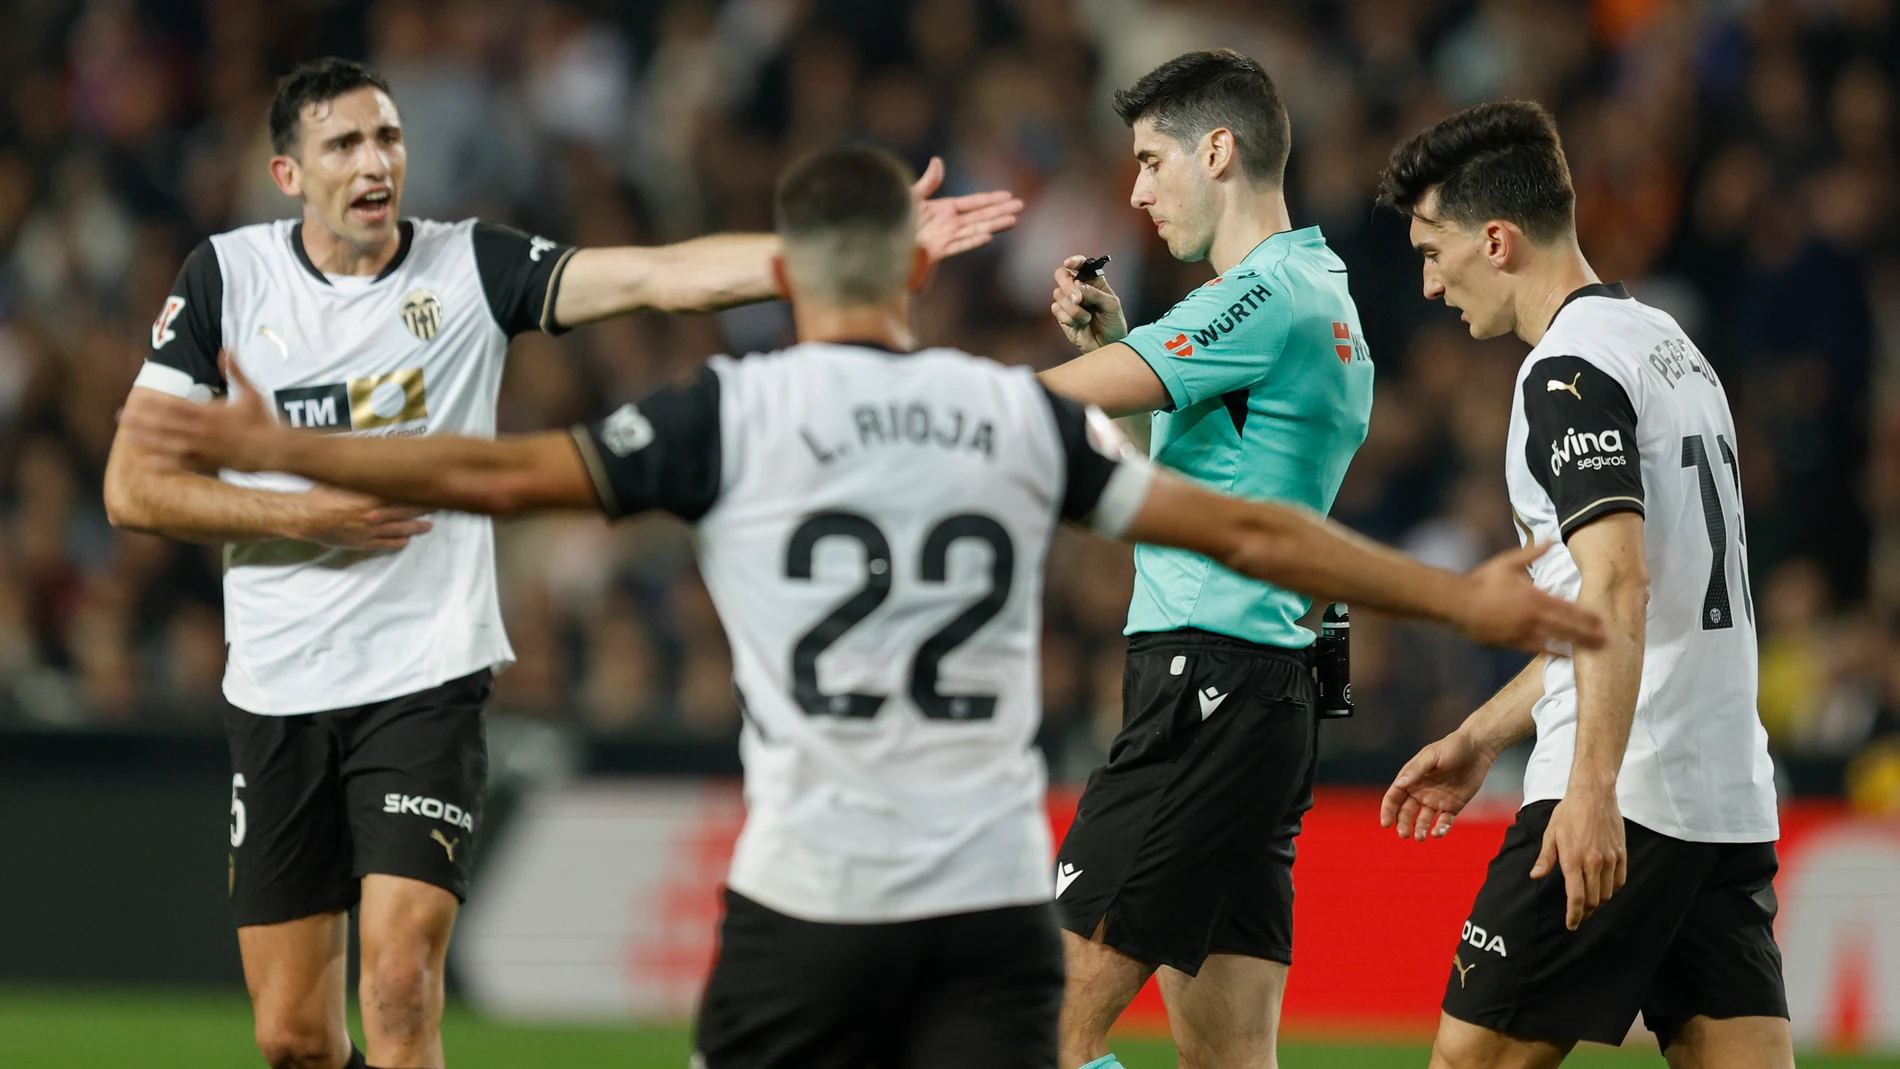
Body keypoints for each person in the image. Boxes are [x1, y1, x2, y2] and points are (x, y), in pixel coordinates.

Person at [125, 145, 1604, 1069]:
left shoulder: (735, 411)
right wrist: (1450, 598)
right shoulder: (1001, 416)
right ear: (913, 266)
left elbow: (501, 475)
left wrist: (280, 448)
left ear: (788, 278)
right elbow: (1238, 524)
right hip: (977, 906)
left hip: (806, 899)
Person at [100, 58, 1021, 1069]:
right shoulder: (227, 279)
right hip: (275, 686)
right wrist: (306, 513)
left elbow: (656, 276)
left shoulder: (468, 266)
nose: (376, 163)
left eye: (389, 138)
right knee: (292, 1039)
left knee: (399, 985)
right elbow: (131, 489)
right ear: (287, 174)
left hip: (422, 677)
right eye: (345, 145)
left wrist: (856, 253)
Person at [1374, 101, 1792, 1069]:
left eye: (1432, 252)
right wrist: (1481, 731)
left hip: (1626, 784)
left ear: (1496, 238)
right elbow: (1639, 596)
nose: (1430, 284)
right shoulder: (1666, 343)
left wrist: (1590, 786)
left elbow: (1617, 587)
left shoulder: (1565, 370)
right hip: (1718, 790)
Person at [1036, 49, 1373, 1069]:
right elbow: (1207, 488)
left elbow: (1058, 401)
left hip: (1206, 686)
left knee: (1031, 1022)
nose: (1135, 191)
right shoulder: (1316, 289)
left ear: (1217, 150)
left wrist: (934, 413)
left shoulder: (1263, 294)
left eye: (1149, 161)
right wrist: (1126, 338)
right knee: (1227, 1058)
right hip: (1260, 692)